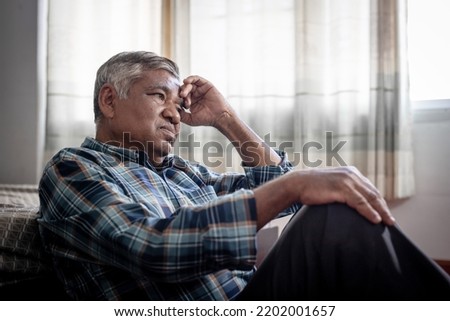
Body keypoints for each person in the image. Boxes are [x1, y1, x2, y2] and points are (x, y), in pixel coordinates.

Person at [38, 51, 450, 300]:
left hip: (253, 299)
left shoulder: (181, 172)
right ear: (109, 100)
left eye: (176, 104)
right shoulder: (74, 169)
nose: (172, 113)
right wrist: (295, 184)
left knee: (330, 209)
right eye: (158, 95)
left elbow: (279, 190)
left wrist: (225, 118)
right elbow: (151, 246)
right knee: (332, 222)